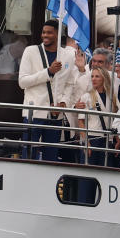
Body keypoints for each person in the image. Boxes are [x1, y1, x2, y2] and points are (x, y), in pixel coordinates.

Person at [18, 21, 80, 162]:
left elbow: (70, 83)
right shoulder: (30, 51)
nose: (45, 35)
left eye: (49, 32)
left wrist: (63, 102)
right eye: (43, 32)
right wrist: (48, 72)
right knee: (28, 154)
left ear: (58, 34)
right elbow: (22, 82)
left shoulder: (68, 56)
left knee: (51, 156)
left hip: (55, 113)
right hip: (34, 112)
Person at [76, 67, 118, 167]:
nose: (94, 79)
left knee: (106, 176)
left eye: (97, 76)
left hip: (108, 139)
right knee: (87, 176)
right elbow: (81, 122)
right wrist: (86, 143)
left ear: (104, 78)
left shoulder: (112, 97)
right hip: (91, 138)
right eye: (92, 76)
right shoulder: (86, 96)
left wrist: (118, 139)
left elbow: (116, 119)